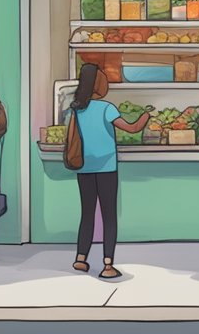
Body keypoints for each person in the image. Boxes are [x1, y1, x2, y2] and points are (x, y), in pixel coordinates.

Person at [69, 63, 149, 280]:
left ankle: (81, 258)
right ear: (97, 84)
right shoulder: (106, 108)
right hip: (106, 168)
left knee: (87, 213)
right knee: (108, 216)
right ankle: (107, 265)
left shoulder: (76, 108)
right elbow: (132, 128)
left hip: (84, 167)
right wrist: (145, 116)